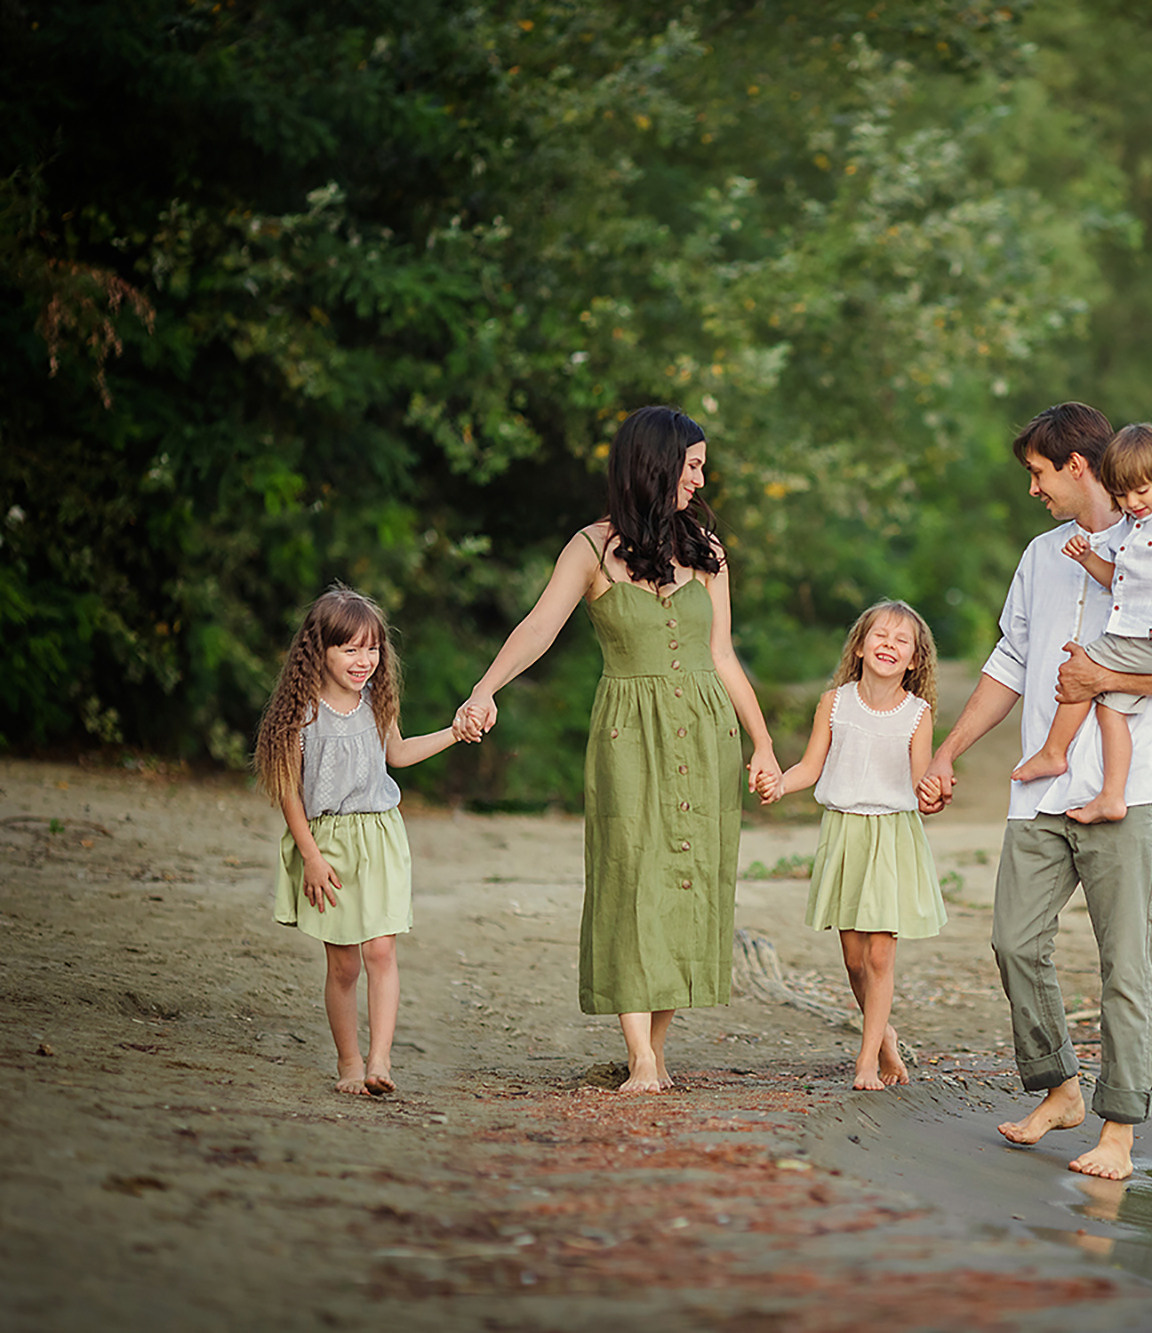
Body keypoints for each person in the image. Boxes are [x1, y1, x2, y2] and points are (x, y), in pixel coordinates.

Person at [919, 402, 1152, 1180]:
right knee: (1013, 940)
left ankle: (1118, 1133)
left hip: (1132, 796)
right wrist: (948, 753)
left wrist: (1110, 677)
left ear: (1078, 466)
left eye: (1038, 472)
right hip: (1043, 796)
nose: (1034, 489)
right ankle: (1059, 1087)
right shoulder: (1042, 556)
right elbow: (1009, 663)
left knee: (1126, 965)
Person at [452, 406, 781, 1093]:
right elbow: (540, 626)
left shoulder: (707, 551)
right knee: (630, 876)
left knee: (685, 880)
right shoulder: (590, 548)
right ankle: (639, 1058)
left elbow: (721, 654)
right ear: (656, 463)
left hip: (705, 728)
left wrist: (763, 742)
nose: (700, 477)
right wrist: (486, 688)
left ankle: (655, 1052)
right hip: (629, 732)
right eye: (691, 463)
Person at [255, 585, 461, 1096]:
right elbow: (288, 792)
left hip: (381, 835)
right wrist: (312, 857)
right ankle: (349, 1061)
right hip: (327, 843)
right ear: (318, 651)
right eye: (349, 648)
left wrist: (455, 732)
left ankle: (380, 1062)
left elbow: (399, 754)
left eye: (372, 648)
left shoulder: (377, 702)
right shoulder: (299, 713)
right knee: (344, 963)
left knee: (382, 952)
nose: (364, 660)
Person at [769, 600, 947, 1091]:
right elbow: (809, 767)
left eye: (901, 640)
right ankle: (885, 1037)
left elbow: (920, 782)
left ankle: (866, 1060)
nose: (889, 645)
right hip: (845, 832)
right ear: (861, 646)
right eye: (880, 636)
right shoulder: (835, 703)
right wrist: (780, 784)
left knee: (880, 957)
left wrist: (932, 796)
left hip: (892, 835)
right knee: (852, 959)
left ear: (914, 659)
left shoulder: (918, 714)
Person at [1009, 423, 1152, 825]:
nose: (1132, 502)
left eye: (1141, 491)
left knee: (1078, 669)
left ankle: (1053, 751)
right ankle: (1113, 795)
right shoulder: (1139, 529)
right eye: (1122, 494)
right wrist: (1088, 559)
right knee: (1110, 710)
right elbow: (1118, 581)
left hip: (1149, 640)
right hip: (1143, 639)